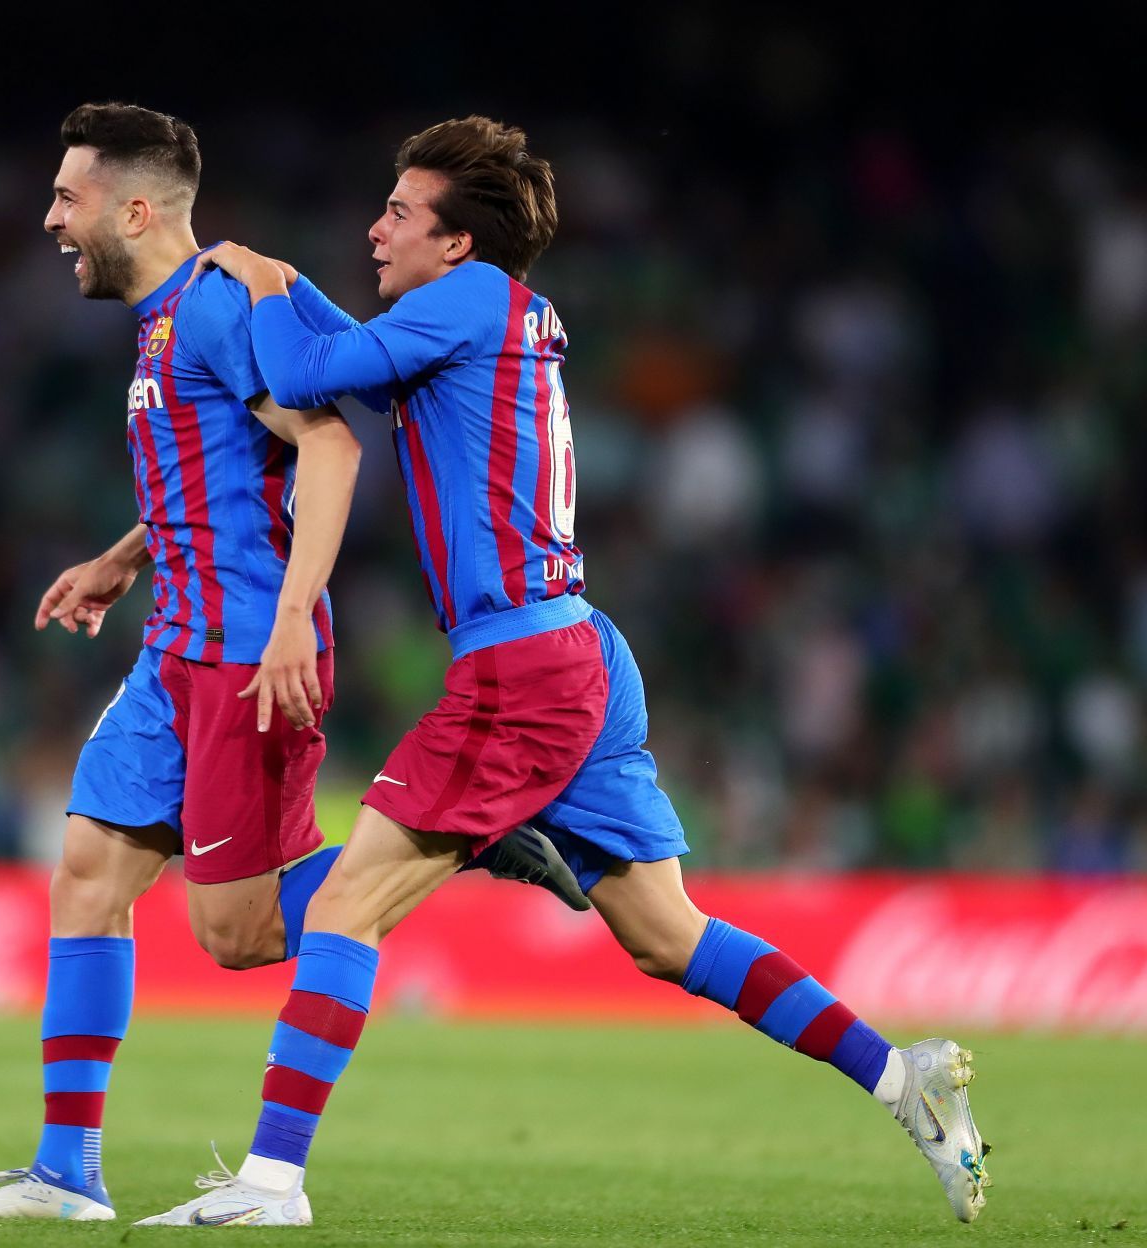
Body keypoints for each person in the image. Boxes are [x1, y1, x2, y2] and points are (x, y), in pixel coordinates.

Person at [133, 116, 990, 1229]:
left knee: (347, 909)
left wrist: (260, 282)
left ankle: (269, 1184)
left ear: (455, 243)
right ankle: (897, 1075)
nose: (374, 227)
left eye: (398, 212)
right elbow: (366, 368)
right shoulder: (492, 313)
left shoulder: (463, 302)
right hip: (577, 645)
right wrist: (296, 290)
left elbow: (302, 372)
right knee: (665, 936)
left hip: (521, 669)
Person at [0, 102, 586, 1225]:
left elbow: (329, 445)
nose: (50, 219)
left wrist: (294, 615)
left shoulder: (225, 304)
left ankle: (456, 841)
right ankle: (65, 1170)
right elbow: (214, 466)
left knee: (233, 935)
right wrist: (124, 556)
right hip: (172, 644)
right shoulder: (158, 322)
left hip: (246, 651)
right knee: (88, 872)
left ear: (136, 210)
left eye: (68, 198)